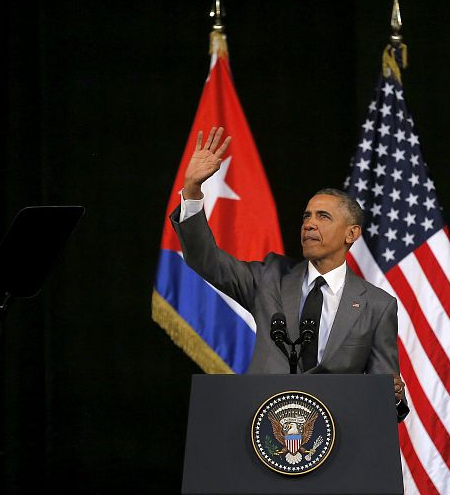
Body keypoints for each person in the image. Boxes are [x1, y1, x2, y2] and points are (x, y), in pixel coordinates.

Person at [171, 126, 409, 421]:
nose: (309, 224)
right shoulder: (269, 277)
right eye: (306, 216)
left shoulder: (377, 305)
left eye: (323, 217)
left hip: (336, 440)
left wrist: (393, 395)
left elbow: (385, 391)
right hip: (262, 431)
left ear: (351, 233)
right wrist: (193, 191)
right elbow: (205, 261)